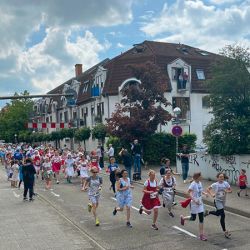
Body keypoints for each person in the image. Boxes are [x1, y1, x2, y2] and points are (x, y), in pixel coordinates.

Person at [180, 172, 208, 241]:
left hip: (200, 203)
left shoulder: (200, 183)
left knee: (201, 219)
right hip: (194, 203)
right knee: (193, 218)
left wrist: (205, 193)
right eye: (201, 176)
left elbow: (200, 191)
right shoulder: (193, 184)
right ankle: (183, 218)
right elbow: (187, 193)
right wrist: (195, 200)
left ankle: (201, 235)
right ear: (197, 177)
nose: (202, 177)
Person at [206, 173, 232, 238]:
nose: (221, 178)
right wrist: (212, 195)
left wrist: (227, 191)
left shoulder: (226, 183)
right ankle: (225, 231)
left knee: (218, 214)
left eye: (222, 177)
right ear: (217, 178)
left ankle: (209, 212)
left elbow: (231, 190)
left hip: (223, 201)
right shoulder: (215, 184)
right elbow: (207, 189)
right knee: (222, 215)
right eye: (220, 177)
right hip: (217, 201)